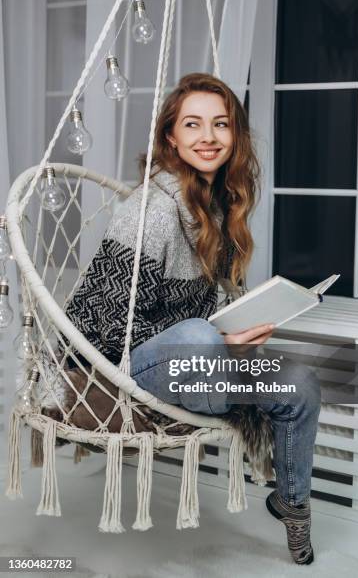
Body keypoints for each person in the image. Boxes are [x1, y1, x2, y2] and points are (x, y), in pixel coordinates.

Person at [65, 72, 321, 566]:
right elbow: (98, 322)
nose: (208, 137)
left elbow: (207, 312)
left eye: (221, 124)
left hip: (199, 361)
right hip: (124, 365)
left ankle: (291, 503)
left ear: (235, 137)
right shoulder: (150, 211)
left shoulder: (220, 206)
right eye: (193, 125)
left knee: (303, 381)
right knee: (199, 338)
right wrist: (217, 344)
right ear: (171, 138)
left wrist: (237, 336)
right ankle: (224, 377)